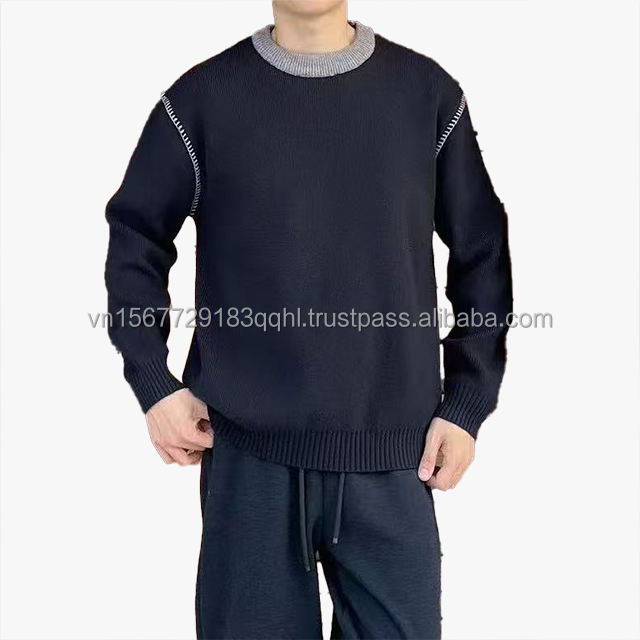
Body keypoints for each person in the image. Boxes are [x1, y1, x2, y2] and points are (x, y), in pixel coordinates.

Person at [105, 0, 512, 637]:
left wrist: (467, 402)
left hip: (395, 459)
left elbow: (482, 250)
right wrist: (154, 383)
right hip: (249, 465)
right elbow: (136, 236)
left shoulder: (428, 96)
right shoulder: (201, 101)